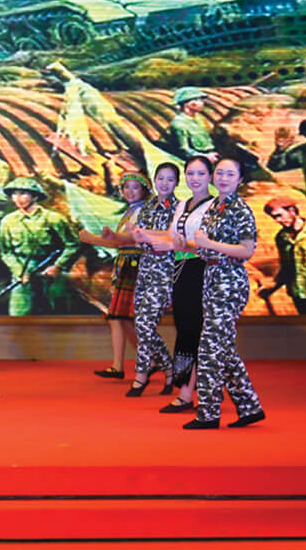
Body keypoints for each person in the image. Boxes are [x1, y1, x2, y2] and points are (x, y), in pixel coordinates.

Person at [183, 158, 264, 429]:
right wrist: (189, 245)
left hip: (229, 280)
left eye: (230, 174)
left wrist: (209, 243)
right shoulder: (214, 206)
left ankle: (208, 414)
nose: (223, 178)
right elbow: (206, 245)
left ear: (240, 180)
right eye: (219, 173)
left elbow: (246, 250)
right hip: (211, 276)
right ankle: (250, 407)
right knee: (223, 346)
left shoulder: (240, 210)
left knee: (209, 348)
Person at [139, 156, 216, 415]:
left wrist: (175, 245)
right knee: (184, 329)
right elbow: (172, 236)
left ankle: (193, 393)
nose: (195, 178)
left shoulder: (214, 206)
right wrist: (144, 235)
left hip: (202, 270)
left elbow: (208, 243)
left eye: (201, 173)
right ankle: (188, 391)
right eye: (191, 173)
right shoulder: (183, 204)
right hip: (181, 270)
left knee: (197, 332)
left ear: (210, 176)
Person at [79, 172, 149, 379]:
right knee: (117, 317)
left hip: (134, 265)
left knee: (123, 316)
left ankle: (147, 360)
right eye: (126, 187)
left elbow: (129, 240)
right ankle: (120, 364)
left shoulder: (143, 211)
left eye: (135, 187)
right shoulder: (130, 211)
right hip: (125, 265)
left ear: (144, 190)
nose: (130, 191)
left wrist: (93, 239)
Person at [126, 163, 181, 396]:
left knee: (145, 324)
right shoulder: (147, 206)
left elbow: (173, 238)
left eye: (170, 179)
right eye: (161, 178)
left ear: (177, 183)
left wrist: (146, 235)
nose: (164, 183)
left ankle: (141, 374)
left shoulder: (179, 208)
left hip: (166, 271)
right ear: (154, 180)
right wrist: (140, 236)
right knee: (141, 324)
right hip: (145, 268)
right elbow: (138, 238)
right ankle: (168, 369)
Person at [0, 177, 78, 317]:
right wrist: (19, 272)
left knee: (55, 314)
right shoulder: (8, 221)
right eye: (14, 194)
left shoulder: (53, 218)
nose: (18, 198)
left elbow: (73, 244)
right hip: (23, 270)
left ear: (35, 196)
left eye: (23, 194)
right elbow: (6, 252)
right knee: (19, 315)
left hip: (49, 271)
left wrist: (57, 266)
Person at [261, 196, 306, 315]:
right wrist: (273, 287)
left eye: (279, 215)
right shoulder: (282, 238)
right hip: (299, 296)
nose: (278, 220)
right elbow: (286, 268)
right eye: (274, 217)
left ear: (292, 211)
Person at [166, 88, 217, 162]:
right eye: (198, 100)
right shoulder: (179, 124)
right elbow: (183, 150)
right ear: (189, 104)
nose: (202, 103)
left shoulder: (199, 119)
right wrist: (205, 157)